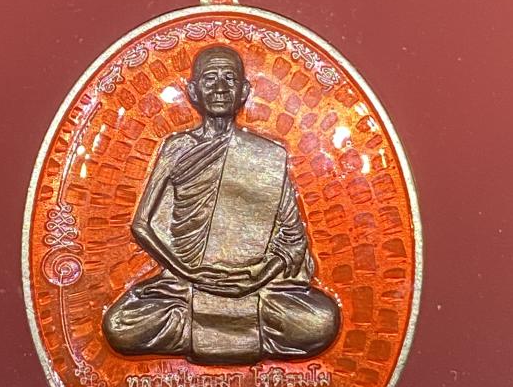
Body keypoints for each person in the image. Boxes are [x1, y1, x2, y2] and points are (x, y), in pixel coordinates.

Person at [103, 45, 339, 364]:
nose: (219, 87)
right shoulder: (177, 147)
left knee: (321, 321)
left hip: (257, 287)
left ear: (244, 92)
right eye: (209, 78)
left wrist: (257, 277)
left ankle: (203, 329)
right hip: (184, 285)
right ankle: (236, 329)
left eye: (229, 79)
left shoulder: (267, 155)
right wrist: (189, 273)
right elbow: (140, 224)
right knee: (120, 326)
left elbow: (293, 239)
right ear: (193, 91)